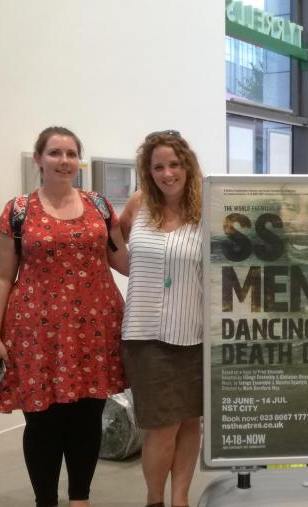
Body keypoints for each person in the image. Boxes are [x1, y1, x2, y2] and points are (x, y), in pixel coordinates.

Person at [0, 126, 128, 507]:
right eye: (54, 153)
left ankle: (79, 498)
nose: (64, 161)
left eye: (70, 153)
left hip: (95, 329)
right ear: (39, 159)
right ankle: (45, 500)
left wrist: (175, 256)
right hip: (36, 333)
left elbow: (122, 260)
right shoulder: (18, 211)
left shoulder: (98, 205)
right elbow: (1, 275)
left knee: (87, 416)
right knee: (42, 421)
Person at [119, 130, 204, 507]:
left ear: (187, 165)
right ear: (147, 171)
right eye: (158, 166)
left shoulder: (207, 210)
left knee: (190, 422)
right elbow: (120, 248)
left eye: (174, 164)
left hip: (196, 332)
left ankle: (180, 498)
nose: (167, 173)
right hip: (147, 334)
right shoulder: (138, 206)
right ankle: (155, 500)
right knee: (162, 426)